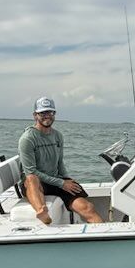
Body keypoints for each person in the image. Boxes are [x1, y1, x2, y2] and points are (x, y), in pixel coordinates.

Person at [18, 96, 104, 226]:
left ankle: (102, 236)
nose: (47, 116)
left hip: (55, 181)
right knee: (31, 178)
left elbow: (59, 163)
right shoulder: (27, 139)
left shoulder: (57, 136)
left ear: (54, 114)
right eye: (43, 113)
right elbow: (31, 171)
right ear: (35, 115)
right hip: (35, 185)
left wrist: (66, 180)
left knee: (88, 208)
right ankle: (42, 211)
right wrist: (61, 183)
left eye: (50, 112)